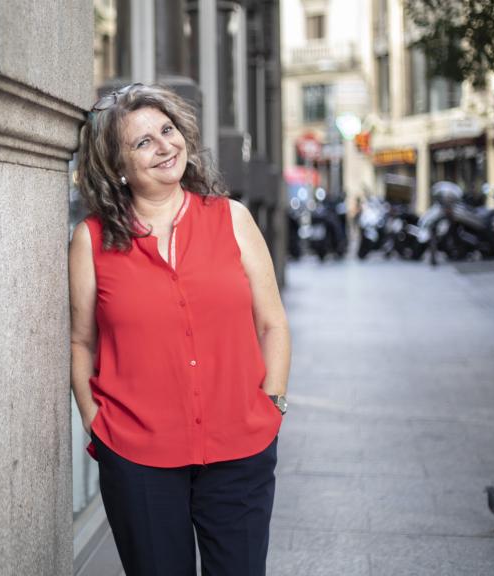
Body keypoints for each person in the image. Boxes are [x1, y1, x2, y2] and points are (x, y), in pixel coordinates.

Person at [69, 83, 291, 576]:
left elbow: (272, 323)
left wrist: (271, 402)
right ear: (117, 165)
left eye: (167, 130)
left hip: (241, 449)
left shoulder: (232, 219)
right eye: (142, 141)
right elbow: (81, 341)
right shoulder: (92, 240)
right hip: (137, 456)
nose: (164, 145)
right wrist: (95, 421)